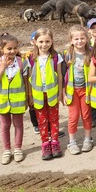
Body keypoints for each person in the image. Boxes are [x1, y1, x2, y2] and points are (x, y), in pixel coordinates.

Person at [0, 33, 29, 164]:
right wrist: (2, 68)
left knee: (19, 125)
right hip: (2, 101)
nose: (13, 51)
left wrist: (28, 98)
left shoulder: (22, 63)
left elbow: (26, 82)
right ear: (1, 49)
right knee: (5, 126)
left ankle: (18, 149)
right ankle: (7, 150)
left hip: (18, 101)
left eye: (15, 48)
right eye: (9, 49)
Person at [28, 28, 65, 160]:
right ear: (35, 42)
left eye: (47, 41)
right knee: (42, 121)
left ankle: (54, 143)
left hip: (52, 94)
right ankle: (45, 144)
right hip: (38, 95)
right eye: (41, 41)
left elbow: (60, 76)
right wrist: (30, 96)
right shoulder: (31, 58)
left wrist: (61, 93)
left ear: (52, 41)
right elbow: (29, 78)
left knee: (54, 119)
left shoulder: (56, 57)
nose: (44, 44)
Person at [64, 25, 94, 155]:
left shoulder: (91, 53)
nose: (79, 41)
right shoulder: (67, 54)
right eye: (76, 39)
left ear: (87, 39)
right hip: (72, 91)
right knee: (73, 117)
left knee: (87, 115)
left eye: (82, 38)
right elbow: (63, 74)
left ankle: (88, 139)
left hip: (86, 90)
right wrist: (64, 92)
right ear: (71, 40)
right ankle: (72, 142)